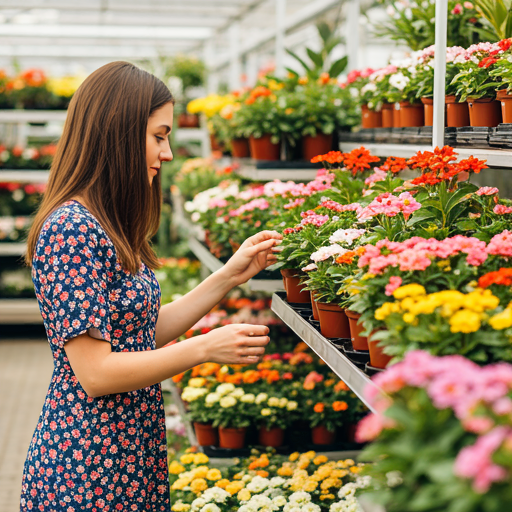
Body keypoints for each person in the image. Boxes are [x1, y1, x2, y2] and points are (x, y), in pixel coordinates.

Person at [20, 61, 282, 512]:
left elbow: (137, 334)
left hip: (125, 450)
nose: (168, 153)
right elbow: (96, 372)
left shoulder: (106, 223)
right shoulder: (70, 228)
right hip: (87, 464)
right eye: (159, 136)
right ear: (118, 133)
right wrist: (203, 349)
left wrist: (228, 276)